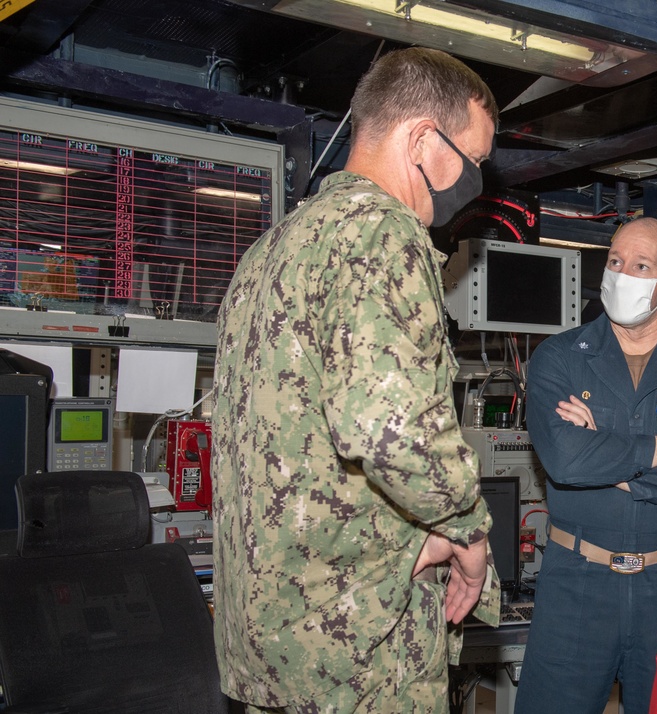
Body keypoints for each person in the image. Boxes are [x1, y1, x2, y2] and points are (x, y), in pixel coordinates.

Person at [211, 47, 501, 714]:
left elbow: (307, 456)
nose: (475, 183)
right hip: (359, 659)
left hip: (272, 647)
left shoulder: (273, 249)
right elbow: (391, 430)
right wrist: (469, 533)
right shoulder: (382, 233)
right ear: (424, 140)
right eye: (474, 161)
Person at [515, 217, 657, 714]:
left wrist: (606, 452)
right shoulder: (559, 358)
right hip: (576, 585)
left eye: (642, 266)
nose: (623, 275)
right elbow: (566, 460)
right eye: (616, 262)